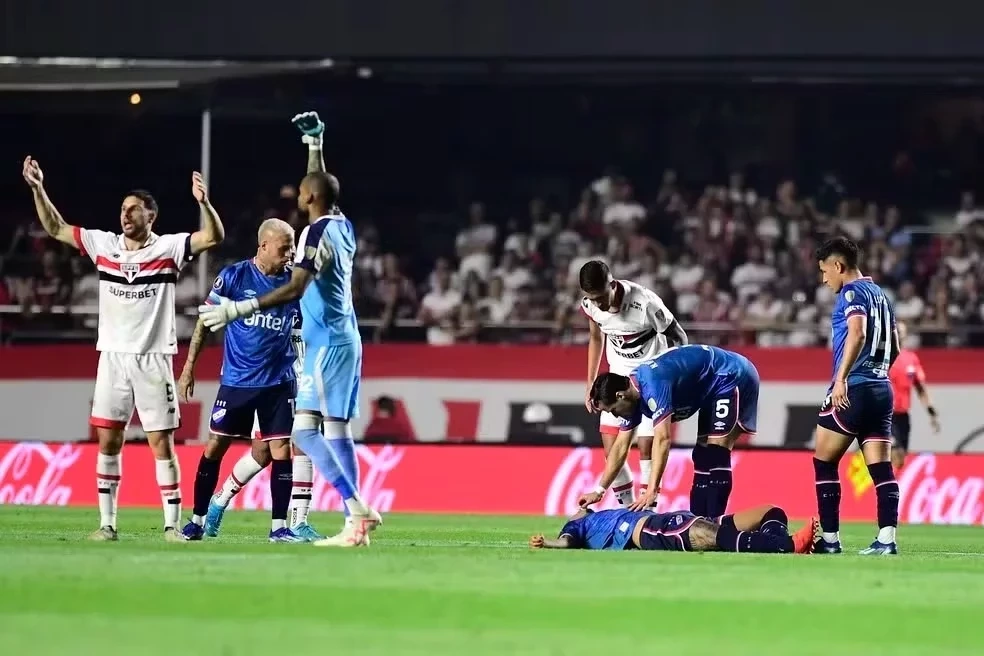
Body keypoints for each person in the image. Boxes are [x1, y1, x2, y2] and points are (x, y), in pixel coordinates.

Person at [199, 110, 381, 548]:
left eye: (301, 190)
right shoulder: (342, 225)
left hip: (323, 346)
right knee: (331, 431)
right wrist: (315, 145)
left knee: (304, 434)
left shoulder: (312, 238)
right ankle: (354, 523)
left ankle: (355, 508)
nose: (298, 191)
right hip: (343, 339)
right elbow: (323, 189)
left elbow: (296, 287)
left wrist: (236, 310)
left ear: (308, 198)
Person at [22, 157, 225, 541]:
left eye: (134, 209)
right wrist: (38, 188)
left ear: (152, 215)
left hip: (153, 359)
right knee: (108, 439)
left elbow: (212, 237)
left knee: (160, 442)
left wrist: (204, 204)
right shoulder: (104, 245)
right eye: (122, 209)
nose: (125, 214)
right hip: (112, 358)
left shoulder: (167, 249)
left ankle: (170, 526)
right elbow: (56, 227)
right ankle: (108, 524)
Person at [177, 218, 303, 543]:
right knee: (216, 445)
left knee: (280, 450)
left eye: (292, 247)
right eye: (284, 247)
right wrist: (189, 366)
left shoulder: (294, 285)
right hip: (238, 381)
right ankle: (197, 519)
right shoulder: (234, 277)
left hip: (279, 382)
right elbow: (205, 322)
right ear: (263, 246)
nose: (290, 254)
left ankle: (279, 528)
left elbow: (303, 330)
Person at [578, 344, 759, 518]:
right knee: (702, 455)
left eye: (613, 410)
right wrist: (599, 491)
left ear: (620, 395)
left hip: (731, 374)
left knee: (716, 452)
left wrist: (652, 490)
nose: (616, 416)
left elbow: (662, 439)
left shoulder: (653, 384)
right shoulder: (632, 397)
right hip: (710, 388)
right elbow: (620, 446)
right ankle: (700, 522)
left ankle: (716, 524)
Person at [812, 237, 900, 556]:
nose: (824, 279)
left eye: (824, 271)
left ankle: (831, 541)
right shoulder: (881, 295)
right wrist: (878, 369)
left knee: (824, 462)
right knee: (881, 469)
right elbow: (897, 344)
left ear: (839, 266)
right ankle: (887, 540)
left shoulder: (852, 292)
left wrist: (841, 379)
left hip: (855, 388)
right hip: (882, 388)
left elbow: (857, 331)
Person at [579, 260, 688, 506]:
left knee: (648, 446)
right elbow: (596, 338)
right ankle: (627, 511)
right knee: (612, 449)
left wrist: (675, 378)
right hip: (617, 379)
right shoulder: (590, 305)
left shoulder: (645, 302)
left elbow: (679, 336)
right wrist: (590, 383)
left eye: (601, 297)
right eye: (592, 299)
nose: (599, 305)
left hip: (650, 379)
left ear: (613, 284)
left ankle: (649, 510)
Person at [529, 505, 817, 554]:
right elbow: (567, 542)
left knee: (771, 512)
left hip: (666, 518)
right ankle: (787, 545)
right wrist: (548, 543)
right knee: (710, 534)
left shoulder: (599, 512)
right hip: (646, 532)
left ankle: (772, 543)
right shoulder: (576, 525)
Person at [888, 320, 940, 472]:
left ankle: (891, 488)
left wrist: (931, 411)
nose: (899, 332)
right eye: (896, 329)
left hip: (903, 416)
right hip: (885, 415)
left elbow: (920, 388)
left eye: (901, 330)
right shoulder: (880, 357)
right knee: (892, 452)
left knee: (901, 459)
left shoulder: (911, 359)